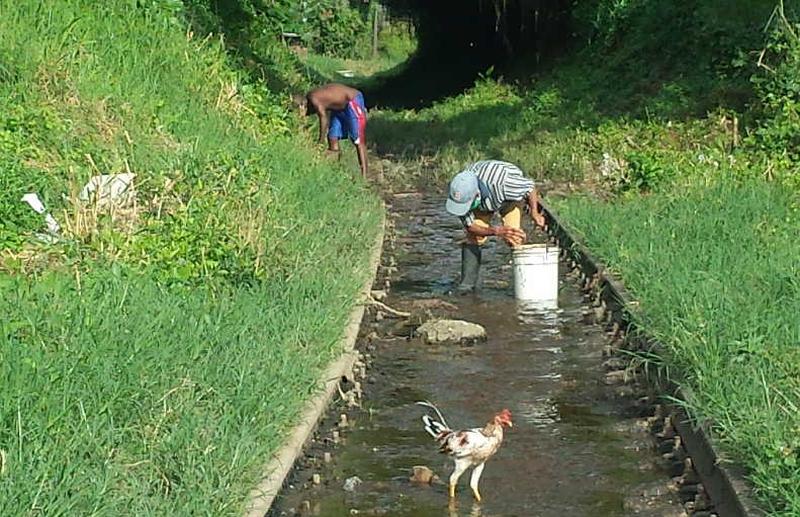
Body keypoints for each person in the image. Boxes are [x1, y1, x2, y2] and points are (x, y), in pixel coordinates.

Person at [445, 160, 546, 293]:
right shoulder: (460, 191)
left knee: (514, 237)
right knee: (473, 237)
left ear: (476, 195)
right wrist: (495, 231)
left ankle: (525, 287)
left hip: (507, 199)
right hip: (483, 204)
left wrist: (534, 212)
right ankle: (467, 285)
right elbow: (470, 226)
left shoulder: (506, 184)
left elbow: (529, 187)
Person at [301, 83, 368, 178]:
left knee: (358, 140)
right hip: (338, 109)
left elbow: (323, 118)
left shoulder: (313, 98)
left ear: (302, 106)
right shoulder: (311, 99)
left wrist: (320, 142)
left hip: (352, 101)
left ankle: (364, 177)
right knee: (332, 137)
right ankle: (336, 170)